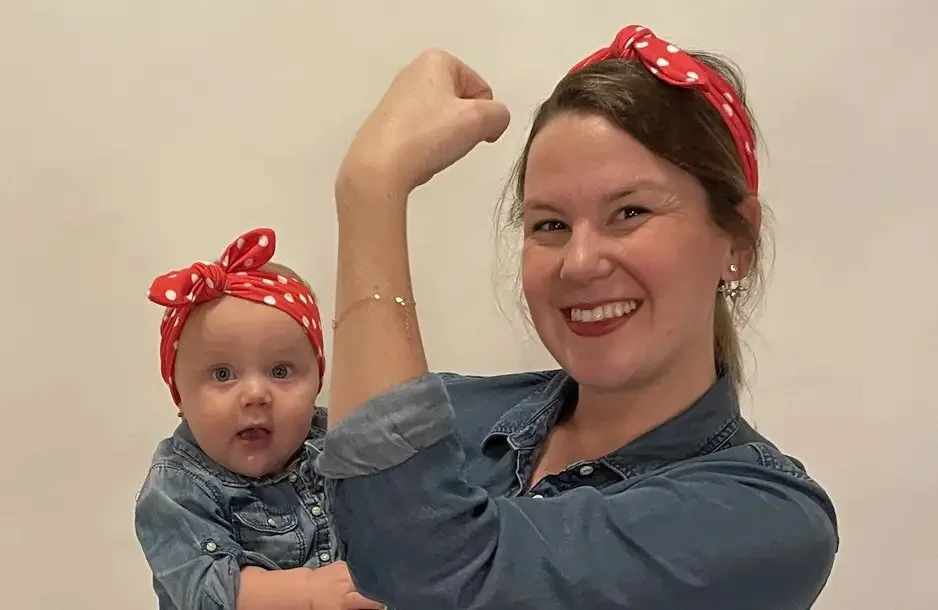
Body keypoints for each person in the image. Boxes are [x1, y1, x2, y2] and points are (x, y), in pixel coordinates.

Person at [317, 24, 838, 609]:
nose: (580, 262)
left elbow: (432, 565)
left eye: (630, 212)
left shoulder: (766, 521)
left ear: (737, 240)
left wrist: (371, 187)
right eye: (550, 224)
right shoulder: (457, 412)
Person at [134, 227, 381, 610]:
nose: (255, 394)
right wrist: (307, 593)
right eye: (222, 374)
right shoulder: (178, 487)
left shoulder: (330, 439)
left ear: (316, 381)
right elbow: (206, 591)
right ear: (180, 396)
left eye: (281, 371)